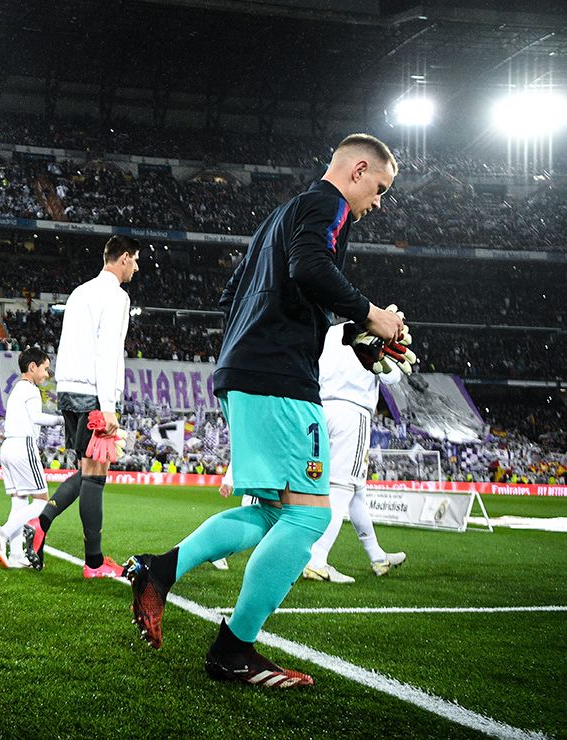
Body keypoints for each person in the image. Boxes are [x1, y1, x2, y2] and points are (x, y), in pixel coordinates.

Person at [125, 133, 406, 688]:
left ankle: (160, 571)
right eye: (380, 188)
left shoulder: (282, 215)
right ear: (358, 170)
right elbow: (309, 269)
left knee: (276, 512)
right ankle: (233, 649)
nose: (378, 203)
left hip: (245, 371)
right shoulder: (329, 206)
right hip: (278, 377)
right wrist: (369, 313)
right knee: (309, 516)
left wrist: (347, 330)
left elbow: (241, 293)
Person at [21, 236, 139, 578]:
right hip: (92, 393)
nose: (135, 267)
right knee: (96, 474)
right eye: (134, 260)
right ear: (124, 257)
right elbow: (106, 351)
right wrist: (109, 406)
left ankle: (41, 523)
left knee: (88, 470)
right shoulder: (116, 296)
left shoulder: (80, 292)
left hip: (69, 391)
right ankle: (94, 562)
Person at [301, 321, 408, 583]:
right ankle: (317, 559)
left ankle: (377, 556)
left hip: (320, 408)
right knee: (342, 487)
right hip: (353, 411)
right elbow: (392, 376)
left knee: (356, 489)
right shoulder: (374, 333)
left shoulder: (328, 331)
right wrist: (395, 346)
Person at [0, 347, 62, 568]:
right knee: (42, 502)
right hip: (23, 446)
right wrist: (61, 420)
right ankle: (2, 533)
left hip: (8, 447)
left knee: (19, 503)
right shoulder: (30, 389)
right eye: (45, 369)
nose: (47, 375)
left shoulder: (17, 389)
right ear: (32, 367)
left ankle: (17, 555)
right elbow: (36, 417)